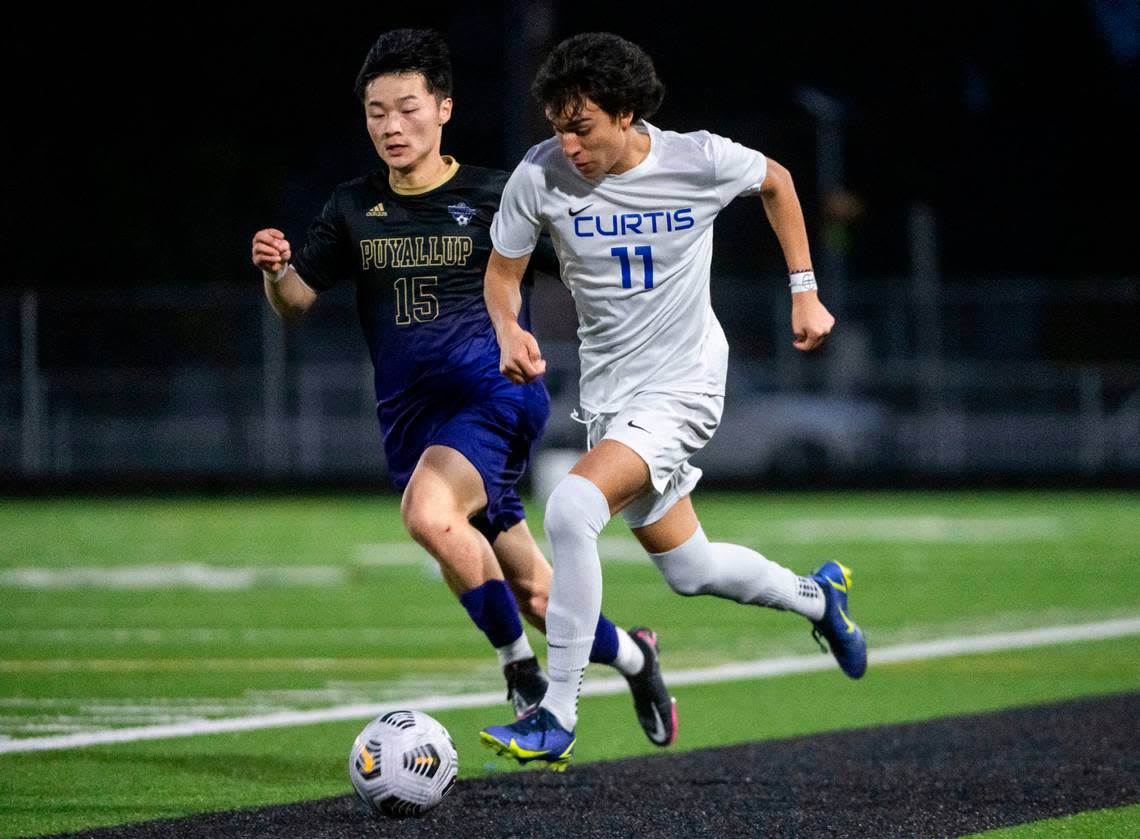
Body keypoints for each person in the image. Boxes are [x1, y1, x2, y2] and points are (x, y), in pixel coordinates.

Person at [249, 29, 675, 745]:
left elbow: (581, 266)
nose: (391, 125)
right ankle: (637, 656)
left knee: (429, 513)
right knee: (537, 593)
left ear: (443, 108)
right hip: (414, 422)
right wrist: (273, 270)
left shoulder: (493, 194)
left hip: (496, 398)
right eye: (376, 111)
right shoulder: (352, 207)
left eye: (407, 108)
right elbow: (295, 301)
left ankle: (520, 673)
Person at [479, 32, 866, 770]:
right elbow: (503, 274)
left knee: (568, 507)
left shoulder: (697, 158)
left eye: (582, 125)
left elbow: (777, 181)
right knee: (691, 569)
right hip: (612, 396)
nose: (569, 142)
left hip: (685, 385)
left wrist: (805, 291)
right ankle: (819, 599)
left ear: (625, 114)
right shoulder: (540, 175)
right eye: (558, 125)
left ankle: (555, 711)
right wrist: (507, 327)